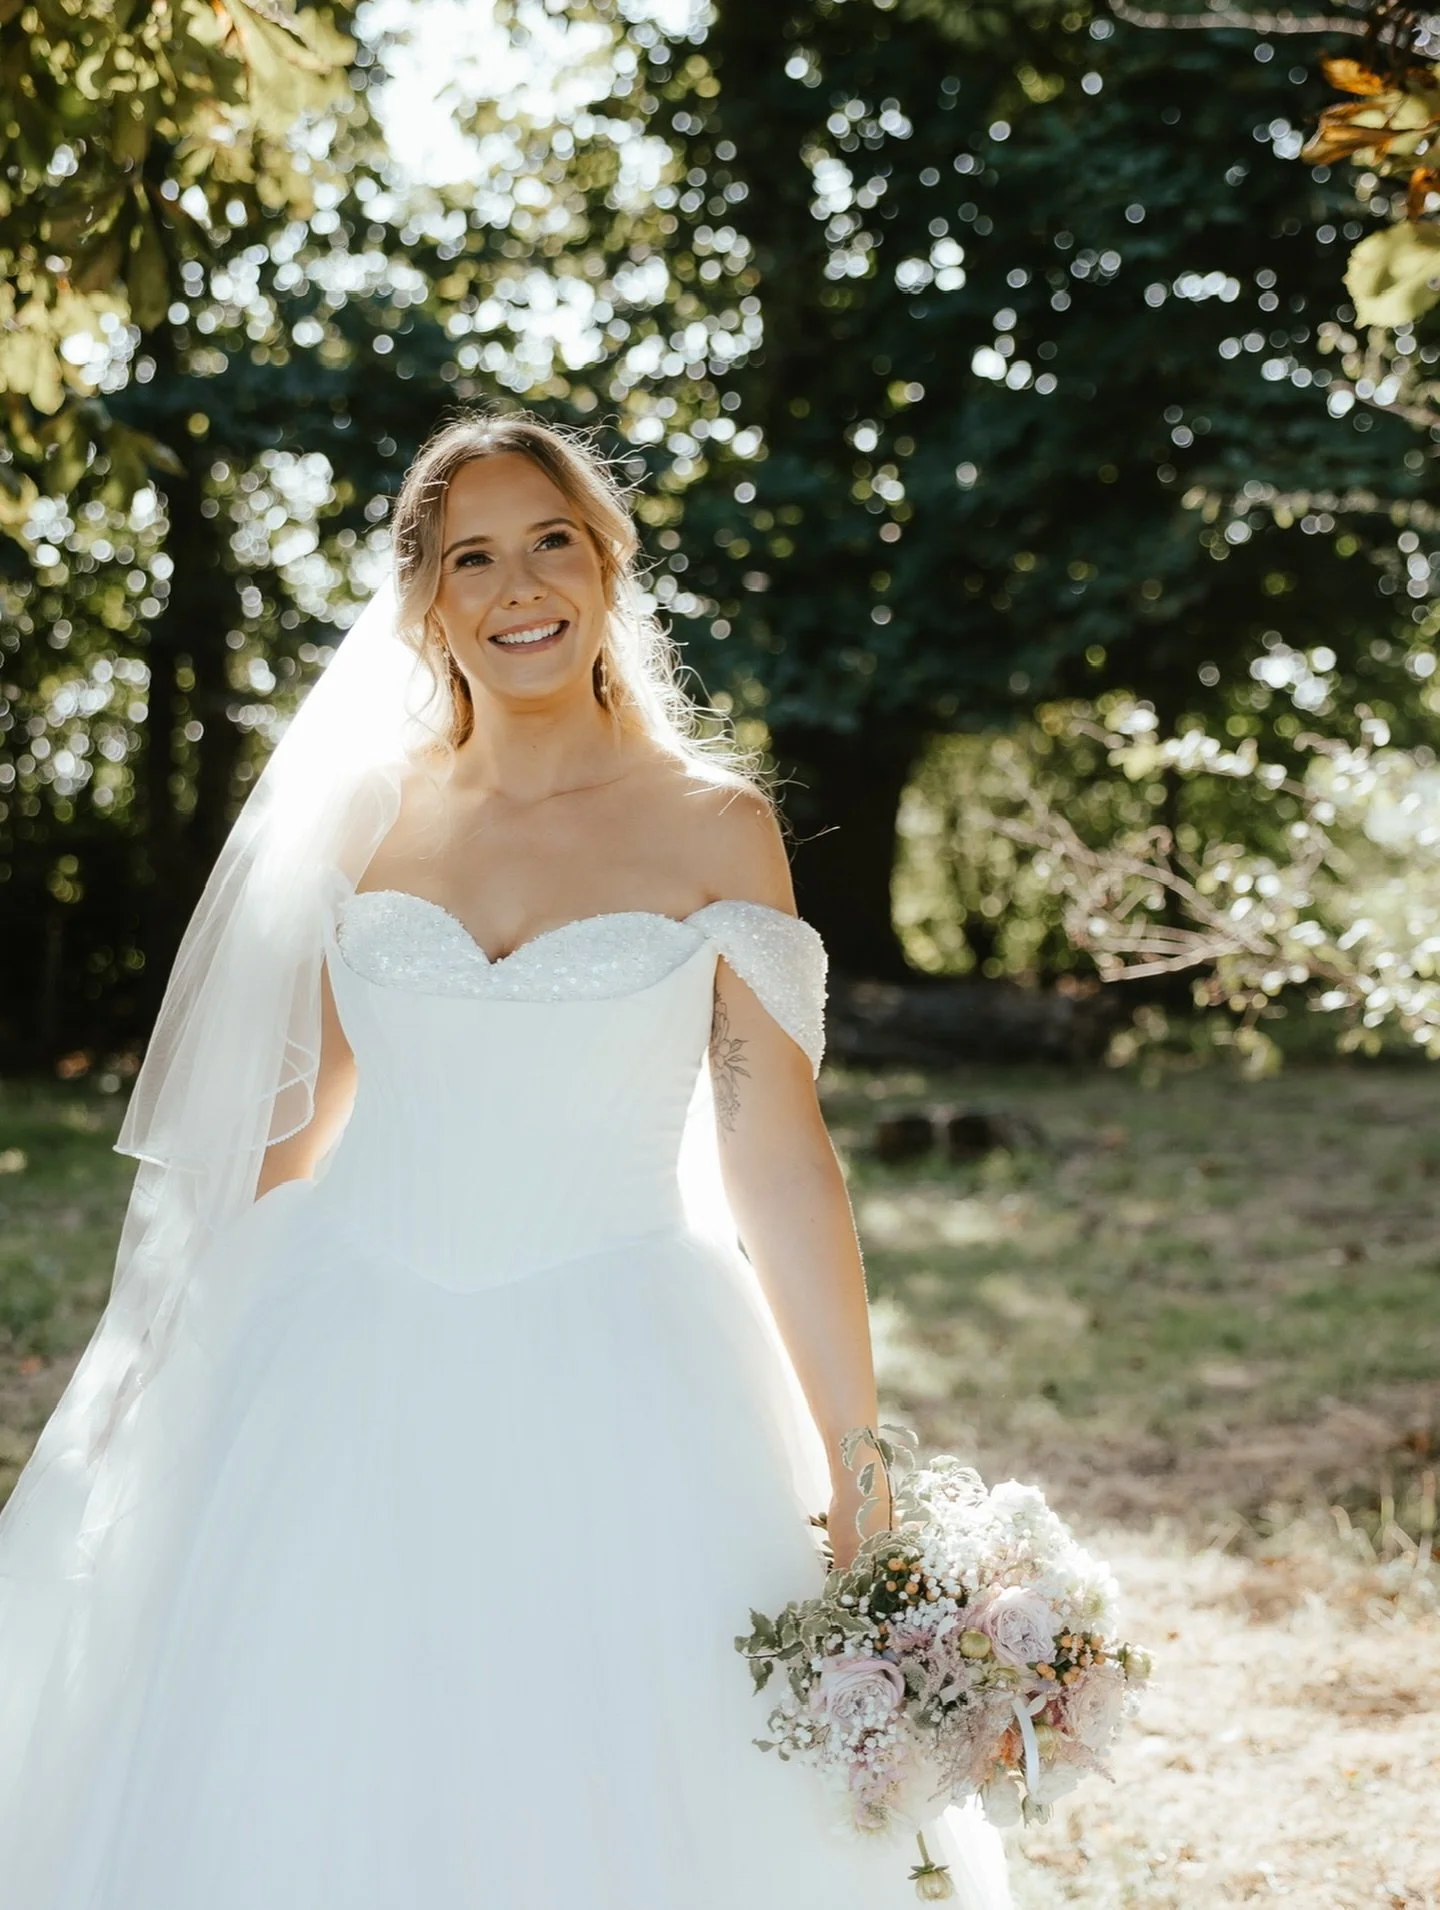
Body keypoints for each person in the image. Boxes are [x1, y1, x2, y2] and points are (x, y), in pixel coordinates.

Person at [0, 411, 1010, 1908]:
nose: (517, 583)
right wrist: (171, 1346)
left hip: (630, 1357)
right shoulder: (369, 812)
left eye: (551, 540)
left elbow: (781, 1161)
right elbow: (299, 1120)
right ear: (427, 601)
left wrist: (859, 1473)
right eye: (472, 554)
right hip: (341, 1347)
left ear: (604, 566)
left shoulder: (713, 826)